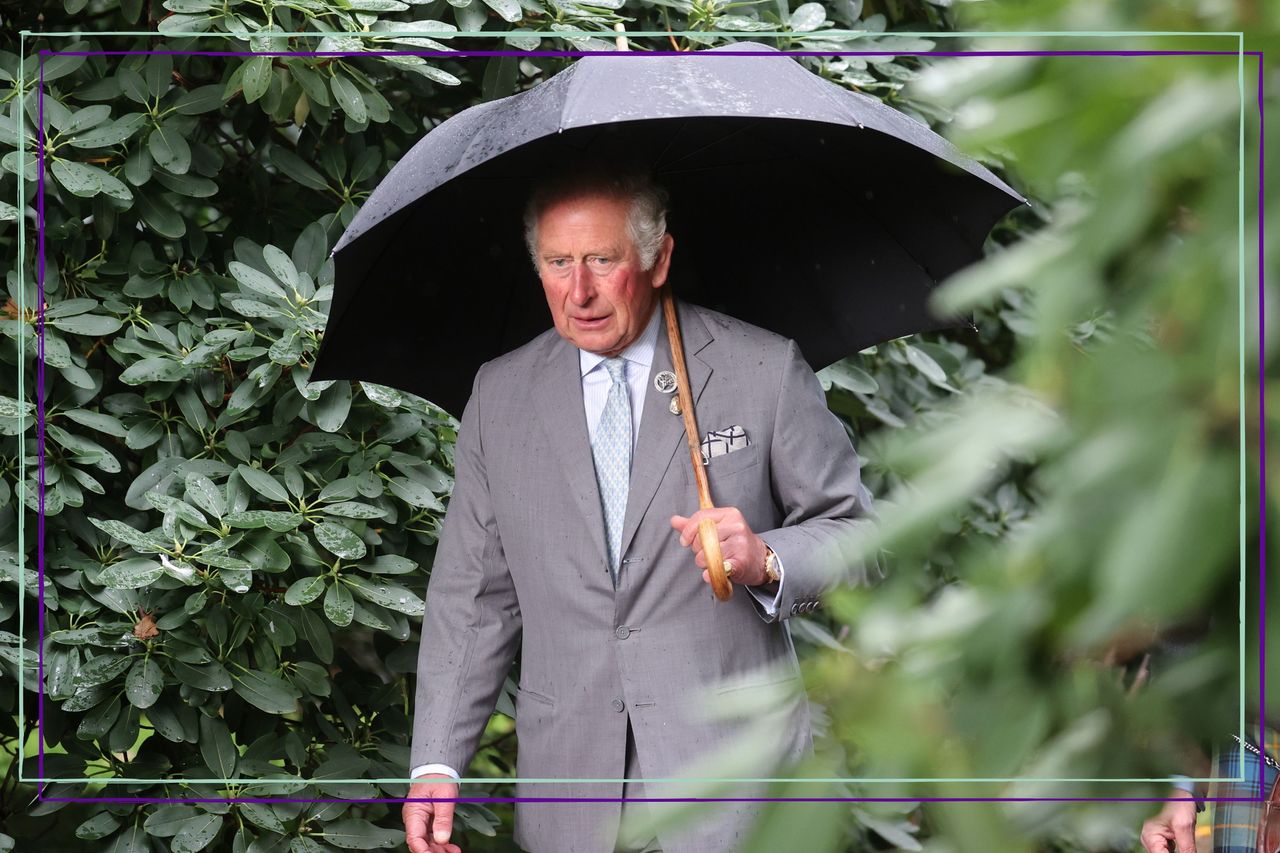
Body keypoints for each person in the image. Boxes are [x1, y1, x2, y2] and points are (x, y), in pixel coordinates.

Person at [401, 167, 876, 853]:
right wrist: (437, 761)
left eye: (602, 260)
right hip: (572, 804)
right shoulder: (500, 394)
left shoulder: (763, 370)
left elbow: (859, 539)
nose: (580, 291)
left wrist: (767, 559)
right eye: (558, 263)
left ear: (659, 259)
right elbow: (473, 597)